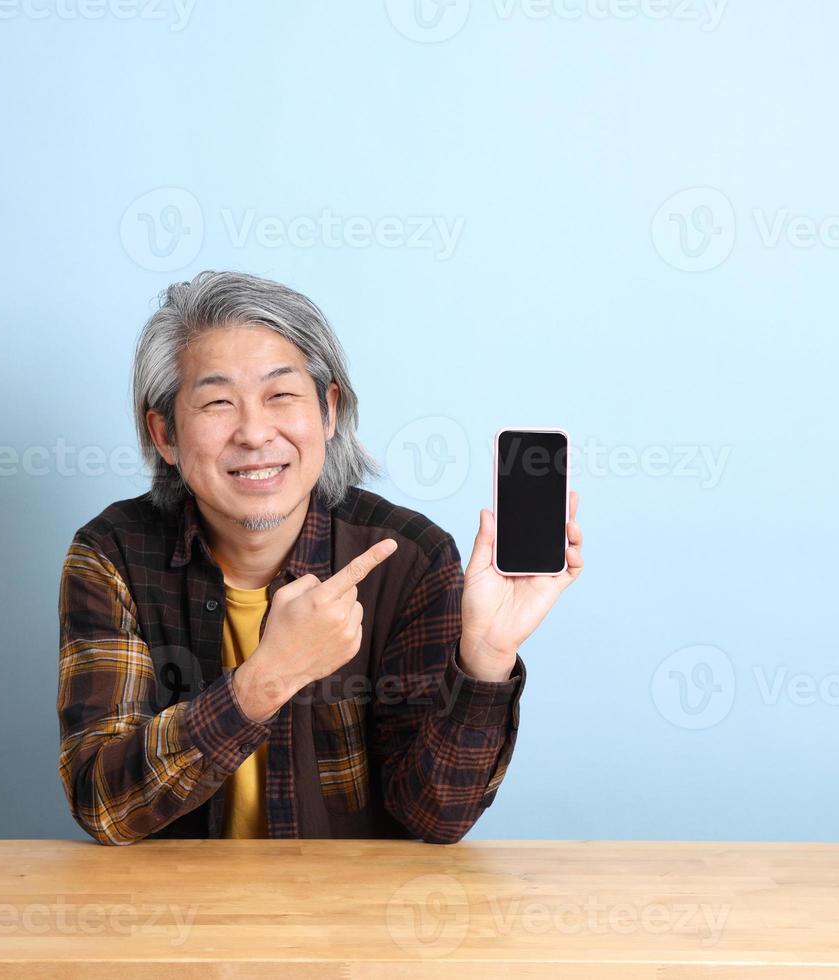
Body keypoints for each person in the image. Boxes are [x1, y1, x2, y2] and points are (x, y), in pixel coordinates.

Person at [56, 270, 583, 844]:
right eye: (216, 403)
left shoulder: (407, 558)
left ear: (329, 411)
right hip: (179, 921)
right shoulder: (112, 555)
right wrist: (267, 677)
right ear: (165, 435)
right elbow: (103, 805)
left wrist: (485, 660)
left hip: (347, 924)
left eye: (281, 395)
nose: (255, 433)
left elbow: (435, 817)